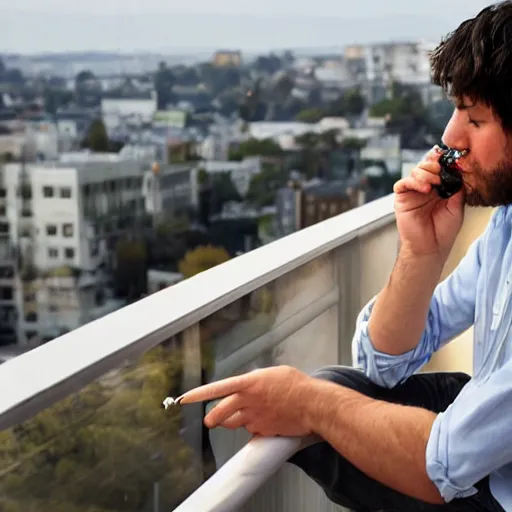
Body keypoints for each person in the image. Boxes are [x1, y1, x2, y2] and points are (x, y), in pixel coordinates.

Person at [179, 3, 512, 511]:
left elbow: (443, 464)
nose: (449, 138)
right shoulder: (506, 227)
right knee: (338, 389)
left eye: (475, 118)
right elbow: (382, 363)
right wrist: (420, 252)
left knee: (321, 408)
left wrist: (309, 404)